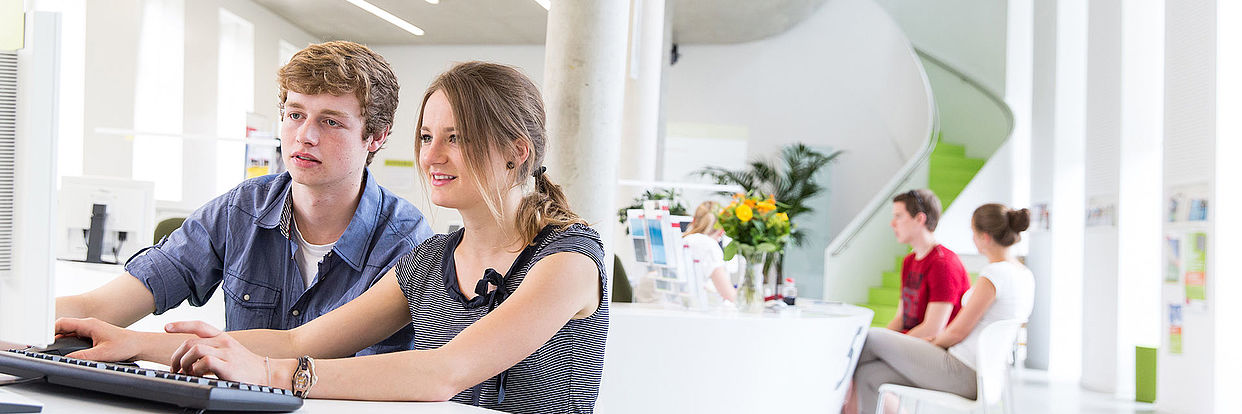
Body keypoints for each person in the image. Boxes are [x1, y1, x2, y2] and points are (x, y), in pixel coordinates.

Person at [56, 61, 609, 413]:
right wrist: (136, 344)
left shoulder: (567, 261)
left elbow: (445, 372)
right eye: (426, 136)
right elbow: (301, 341)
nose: (432, 157)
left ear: (517, 152)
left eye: (457, 138)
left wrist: (266, 374)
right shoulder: (435, 257)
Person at [54, 41, 434, 356]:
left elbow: (302, 352)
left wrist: (138, 345)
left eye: (330, 121)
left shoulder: (406, 241)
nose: (305, 136)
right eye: (295, 114)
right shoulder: (242, 209)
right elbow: (99, 307)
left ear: (377, 136)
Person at [851, 204, 1034, 414]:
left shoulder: (993, 275)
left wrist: (935, 342)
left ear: (984, 237)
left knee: (872, 337)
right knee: (870, 374)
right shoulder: (1023, 274)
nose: (972, 238)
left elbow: (958, 331)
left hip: (962, 371)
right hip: (979, 373)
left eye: (972, 233)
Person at [886, 189, 970, 338]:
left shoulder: (944, 263)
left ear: (919, 219)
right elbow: (901, 318)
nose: (892, 224)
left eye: (898, 216)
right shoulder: (909, 261)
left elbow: (932, 330)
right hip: (911, 342)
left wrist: (889, 344)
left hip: (932, 347)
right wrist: (882, 338)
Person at [682, 201, 737, 303]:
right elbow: (729, 295)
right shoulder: (708, 245)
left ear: (694, 220)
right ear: (722, 229)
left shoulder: (685, 240)